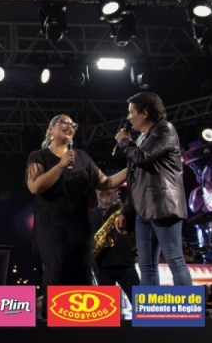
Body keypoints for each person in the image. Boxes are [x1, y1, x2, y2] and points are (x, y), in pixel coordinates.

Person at [26, 114, 127, 290]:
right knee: (57, 278)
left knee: (82, 281)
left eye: (72, 124)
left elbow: (105, 182)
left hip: (80, 232)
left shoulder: (81, 156)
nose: (69, 125)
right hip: (52, 231)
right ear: (51, 129)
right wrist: (61, 165)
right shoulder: (39, 157)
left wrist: (132, 168)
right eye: (63, 122)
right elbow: (34, 186)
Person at [114, 92, 192, 286]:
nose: (129, 117)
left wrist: (125, 141)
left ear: (145, 113)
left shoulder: (164, 130)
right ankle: (149, 306)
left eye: (131, 112)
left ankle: (187, 305)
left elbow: (142, 158)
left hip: (163, 206)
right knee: (146, 265)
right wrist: (125, 211)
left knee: (174, 260)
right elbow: (134, 180)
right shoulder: (141, 139)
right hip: (143, 210)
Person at [89, 188, 139, 301]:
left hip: (126, 265)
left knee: (141, 304)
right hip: (101, 268)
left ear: (116, 191)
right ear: (96, 192)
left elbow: (137, 235)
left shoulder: (124, 211)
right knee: (107, 309)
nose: (105, 191)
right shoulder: (90, 214)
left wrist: (131, 250)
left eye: (109, 188)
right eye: (101, 188)